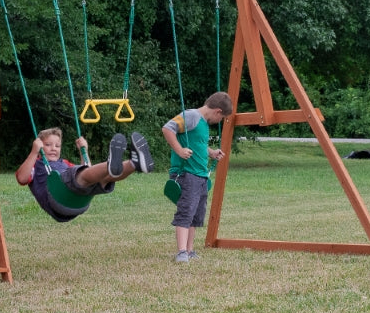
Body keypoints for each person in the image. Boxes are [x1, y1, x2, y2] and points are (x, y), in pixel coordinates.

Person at [15, 127, 154, 222]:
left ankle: (134, 163)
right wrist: (34, 152)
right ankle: (110, 163)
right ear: (39, 146)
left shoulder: (65, 163)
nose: (53, 149)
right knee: (80, 175)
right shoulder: (36, 164)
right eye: (48, 145)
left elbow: (88, 170)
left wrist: (84, 151)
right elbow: (22, 178)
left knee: (103, 178)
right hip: (58, 199)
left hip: (79, 202)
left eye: (57, 146)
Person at [161, 91, 234, 264]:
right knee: (186, 212)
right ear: (217, 111)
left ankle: (190, 249)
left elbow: (198, 144)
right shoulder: (191, 116)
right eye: (222, 118)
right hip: (187, 173)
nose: (220, 121)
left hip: (201, 175)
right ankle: (181, 252)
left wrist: (211, 153)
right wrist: (179, 150)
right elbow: (167, 128)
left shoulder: (203, 123)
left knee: (195, 215)